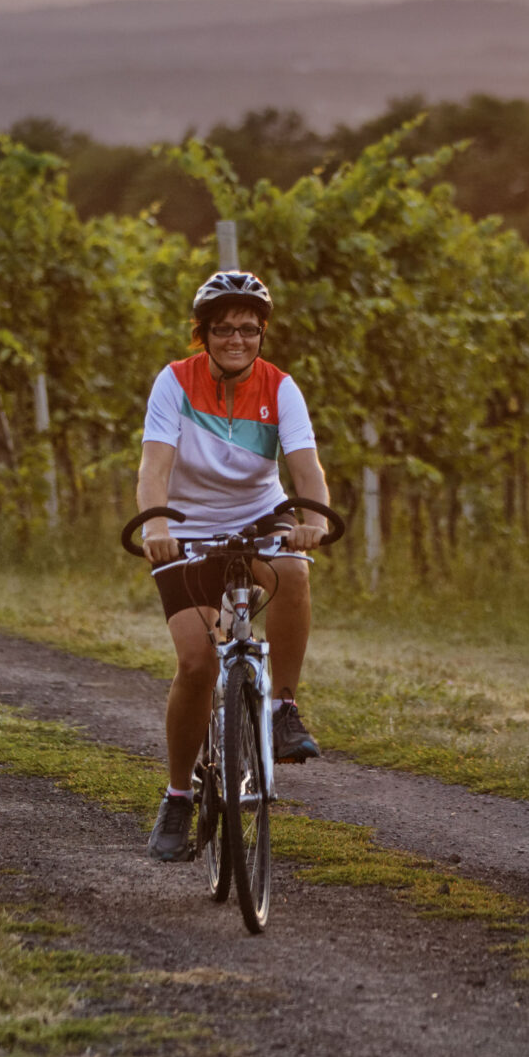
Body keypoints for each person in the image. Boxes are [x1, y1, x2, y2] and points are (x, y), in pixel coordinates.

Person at [136, 269, 333, 862]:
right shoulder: (174, 382)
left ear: (262, 333)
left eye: (249, 329)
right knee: (197, 662)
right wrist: (156, 525)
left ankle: (281, 709)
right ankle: (177, 796)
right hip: (187, 526)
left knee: (294, 573)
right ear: (204, 333)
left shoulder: (281, 389)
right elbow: (154, 467)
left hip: (259, 516)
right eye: (223, 329)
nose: (237, 339)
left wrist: (314, 519)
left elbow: (306, 468)